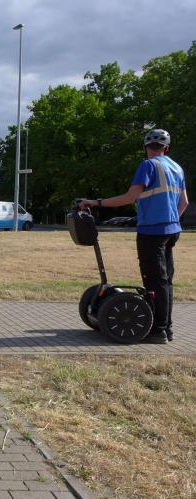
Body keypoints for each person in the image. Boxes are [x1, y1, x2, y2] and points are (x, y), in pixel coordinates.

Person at [79, 128, 189, 343]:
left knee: (155, 281)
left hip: (152, 232)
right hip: (172, 230)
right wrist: (171, 220)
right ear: (166, 148)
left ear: (145, 147)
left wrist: (96, 202)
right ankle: (166, 328)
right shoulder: (177, 168)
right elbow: (184, 202)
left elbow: (130, 197)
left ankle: (158, 331)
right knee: (165, 281)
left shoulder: (148, 165)